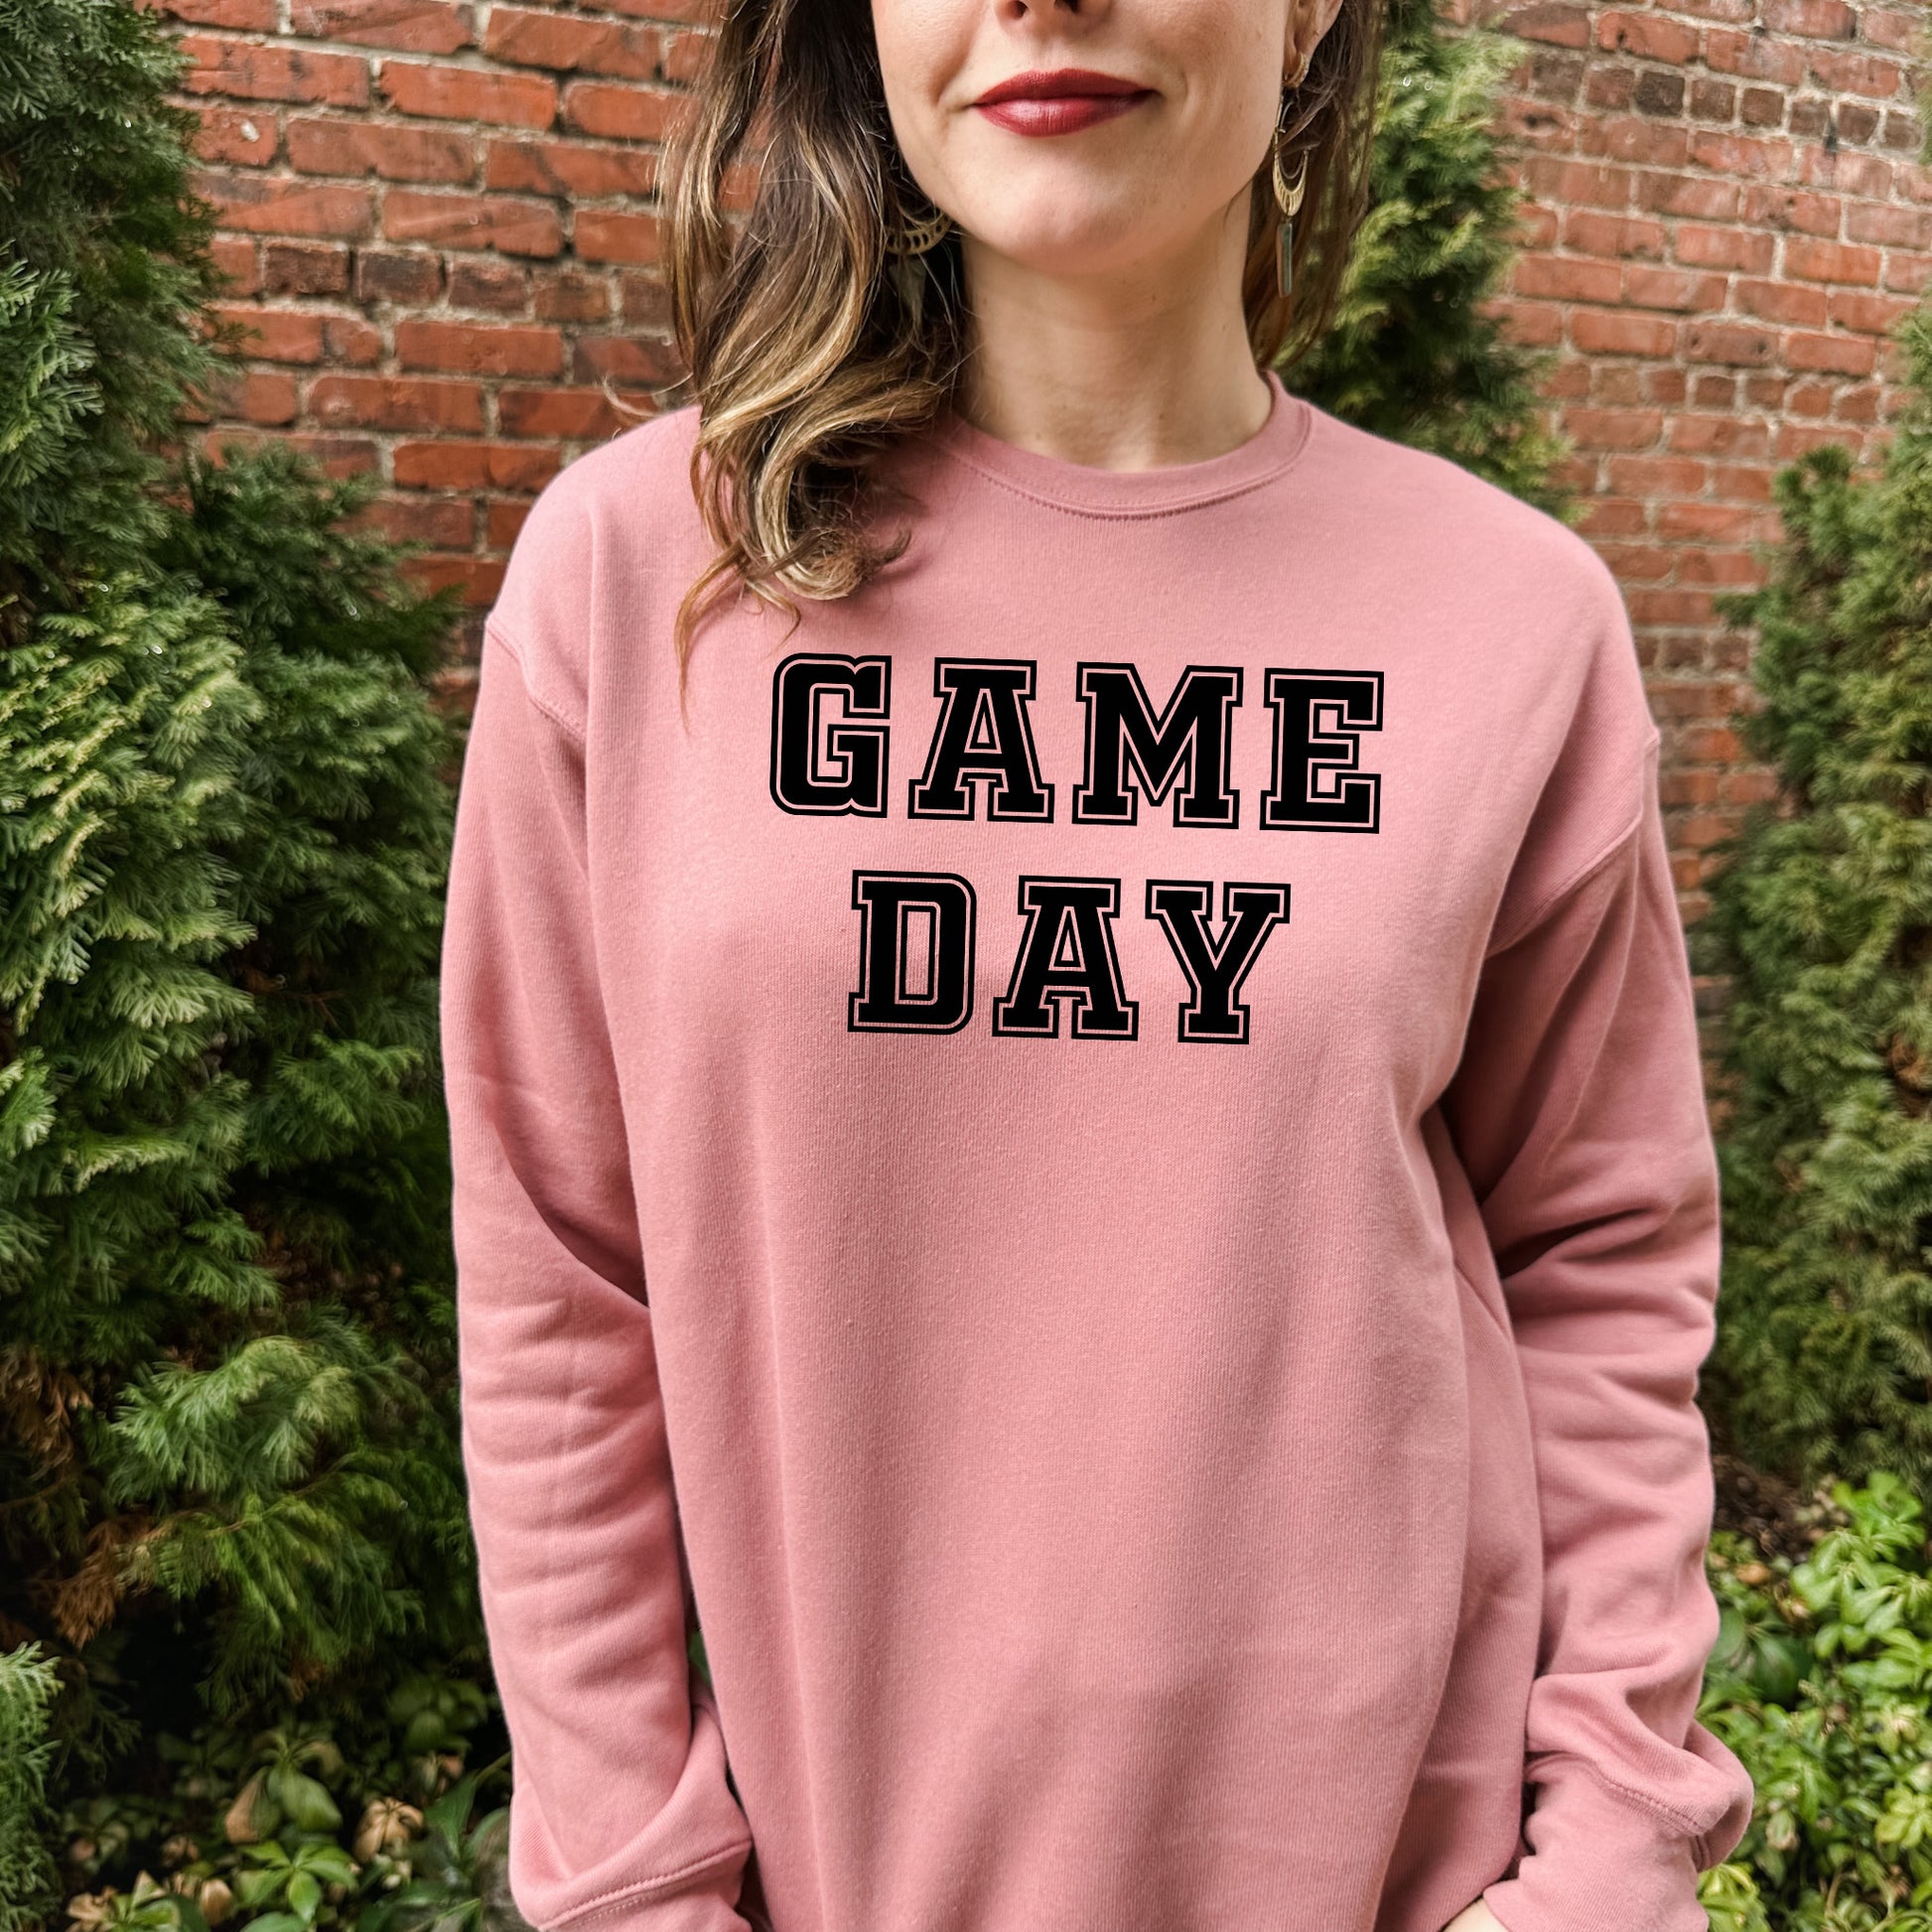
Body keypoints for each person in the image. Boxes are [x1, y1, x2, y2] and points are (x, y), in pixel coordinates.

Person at [437, 0, 1759, 1924]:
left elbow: (1605, 1264)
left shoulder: (1512, 621)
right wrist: (638, 1886)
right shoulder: (646, 577)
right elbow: (555, 1279)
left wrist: (1609, 1851)